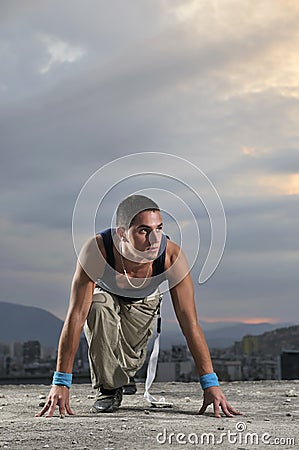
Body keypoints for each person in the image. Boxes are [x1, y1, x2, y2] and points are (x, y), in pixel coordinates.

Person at [36, 194, 241, 418]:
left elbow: (189, 323)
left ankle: (123, 374)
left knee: (129, 362)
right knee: (97, 305)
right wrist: (61, 383)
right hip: (106, 297)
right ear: (122, 233)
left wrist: (210, 384)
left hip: (144, 305)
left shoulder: (171, 257)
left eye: (159, 228)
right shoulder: (98, 251)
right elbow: (76, 316)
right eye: (144, 231)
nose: (154, 239)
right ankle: (109, 389)